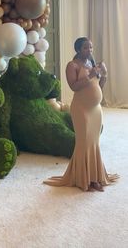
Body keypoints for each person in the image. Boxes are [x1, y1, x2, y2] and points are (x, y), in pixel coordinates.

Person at [43, 37, 118, 192]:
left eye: (90, 47)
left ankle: (95, 177)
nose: (89, 50)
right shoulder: (72, 65)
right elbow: (74, 86)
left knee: (94, 143)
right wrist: (90, 75)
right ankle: (84, 178)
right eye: (85, 48)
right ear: (78, 49)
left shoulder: (91, 64)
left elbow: (99, 86)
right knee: (83, 142)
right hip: (81, 109)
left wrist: (104, 74)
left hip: (96, 109)